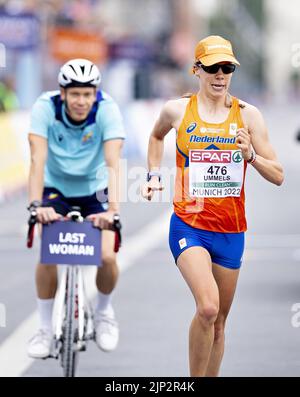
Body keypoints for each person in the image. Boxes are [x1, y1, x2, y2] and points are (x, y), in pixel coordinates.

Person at [142, 35, 284, 377]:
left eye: (227, 68)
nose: (220, 75)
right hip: (189, 225)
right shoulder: (177, 110)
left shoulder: (249, 116)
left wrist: (250, 155)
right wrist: (152, 174)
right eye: (212, 68)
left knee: (219, 324)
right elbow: (156, 136)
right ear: (196, 70)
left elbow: (278, 174)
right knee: (207, 307)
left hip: (231, 232)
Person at [27, 58, 125, 358]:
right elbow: (36, 160)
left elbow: (113, 164)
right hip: (56, 188)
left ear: (95, 93)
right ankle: (44, 327)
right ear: (62, 92)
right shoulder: (45, 107)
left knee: (107, 255)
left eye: (88, 94)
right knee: (48, 254)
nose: (82, 101)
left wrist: (113, 211)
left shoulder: (107, 109)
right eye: (75, 94)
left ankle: (105, 313)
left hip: (96, 188)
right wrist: (35, 206)